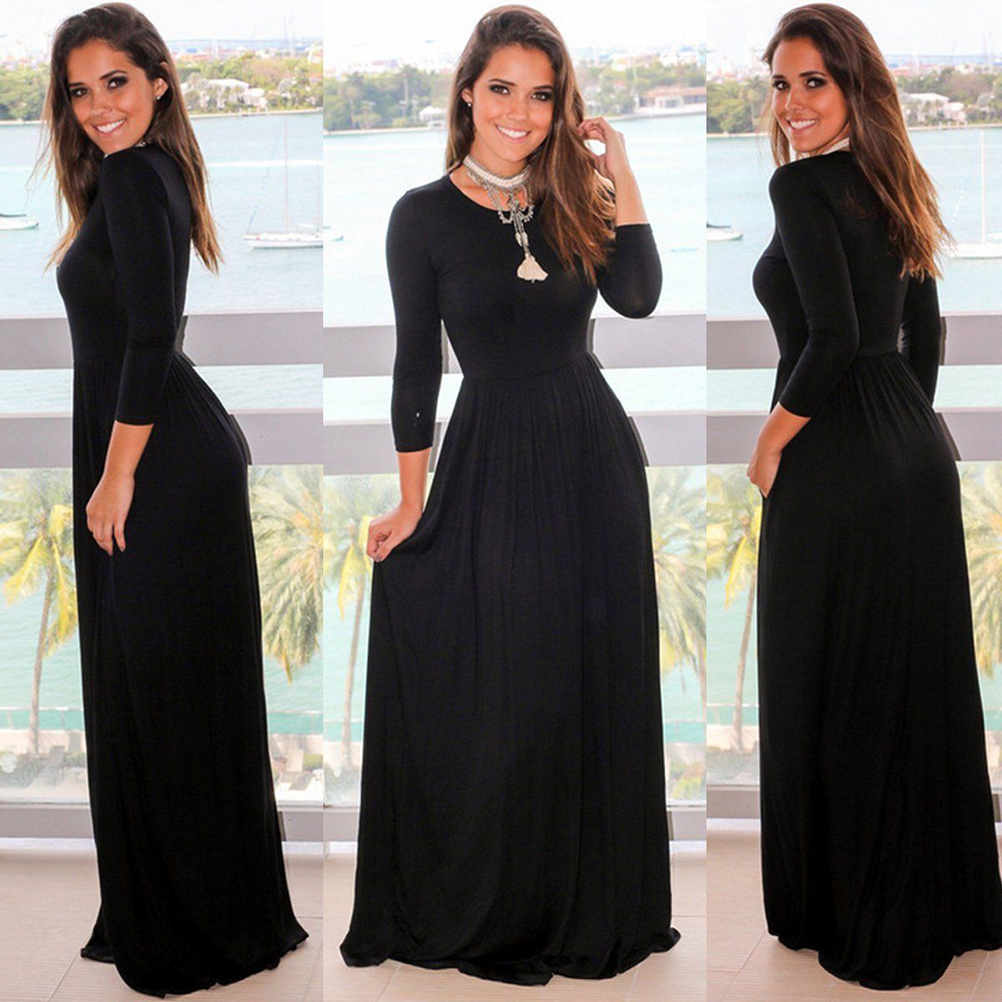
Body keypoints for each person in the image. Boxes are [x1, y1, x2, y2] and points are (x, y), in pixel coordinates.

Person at [339, 4, 681, 986]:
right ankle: (511, 900)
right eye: (501, 90)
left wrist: (620, 171)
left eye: (541, 95)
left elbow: (639, 296)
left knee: (589, 674)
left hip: (592, 457)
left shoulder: (576, 193)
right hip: (490, 456)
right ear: (466, 93)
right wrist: (411, 502)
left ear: (561, 105)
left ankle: (591, 901)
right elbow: (415, 368)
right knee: (517, 681)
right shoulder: (421, 216)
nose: (520, 113)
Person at [45, 4, 308, 995]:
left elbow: (153, 338)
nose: (97, 105)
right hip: (162, 450)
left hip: (154, 463)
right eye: (80, 90)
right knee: (171, 690)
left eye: (115, 81)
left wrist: (116, 475)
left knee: (161, 693)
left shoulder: (133, 174)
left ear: (158, 80)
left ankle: (196, 922)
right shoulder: (143, 173)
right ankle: (195, 906)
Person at [747, 3, 1002, 989]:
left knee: (826, 678)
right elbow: (922, 334)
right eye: (781, 82)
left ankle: (842, 906)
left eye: (813, 80)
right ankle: (946, 903)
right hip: (912, 452)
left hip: (837, 455)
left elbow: (835, 338)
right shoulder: (896, 176)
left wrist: (772, 441)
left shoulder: (800, 185)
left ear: (855, 85)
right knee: (911, 680)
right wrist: (901, 432)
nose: (792, 101)